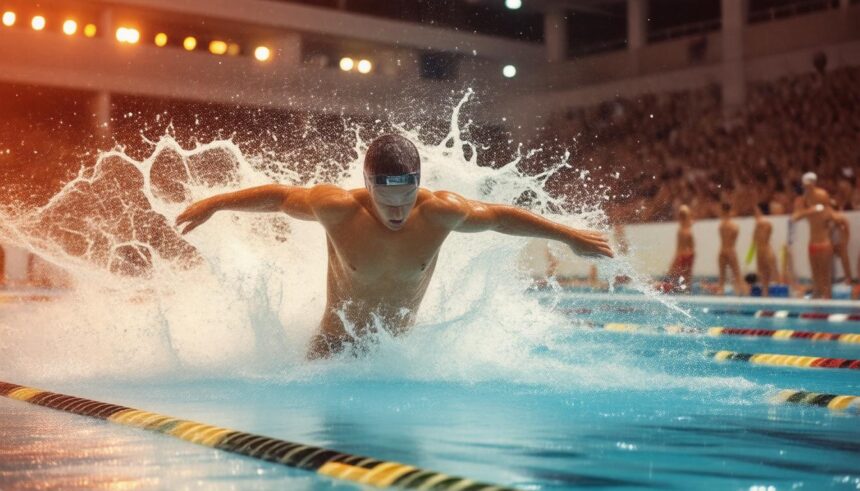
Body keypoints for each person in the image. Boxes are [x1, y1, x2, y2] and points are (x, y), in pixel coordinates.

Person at [176, 134, 613, 358]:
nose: (399, 211)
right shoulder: (338, 209)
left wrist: (568, 236)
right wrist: (216, 204)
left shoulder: (442, 212)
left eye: (407, 198)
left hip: (395, 352)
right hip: (333, 345)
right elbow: (280, 197)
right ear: (368, 185)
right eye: (387, 201)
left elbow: (498, 217)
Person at [791, 172, 834, 299]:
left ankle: (827, 300)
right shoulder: (803, 200)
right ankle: (817, 302)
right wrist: (811, 210)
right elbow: (795, 217)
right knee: (815, 277)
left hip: (824, 242)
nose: (807, 187)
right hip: (812, 243)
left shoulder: (822, 195)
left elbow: (830, 215)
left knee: (825, 277)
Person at [717, 203, 745, 295]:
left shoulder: (721, 225)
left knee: (722, 278)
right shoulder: (734, 226)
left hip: (722, 251)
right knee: (737, 276)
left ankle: (720, 295)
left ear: (723, 211)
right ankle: (741, 294)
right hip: (731, 250)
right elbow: (734, 239)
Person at [666, 204, 695, 292]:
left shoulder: (683, 229)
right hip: (687, 254)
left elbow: (680, 247)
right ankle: (685, 288)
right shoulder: (684, 229)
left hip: (684, 254)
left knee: (682, 274)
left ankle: (683, 288)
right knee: (684, 274)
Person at [752, 203, 778, 296]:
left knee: (765, 273)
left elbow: (759, 239)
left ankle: (766, 292)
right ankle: (766, 292)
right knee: (766, 274)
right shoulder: (763, 223)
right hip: (764, 250)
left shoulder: (761, 222)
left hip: (764, 250)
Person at [831, 204, 852, 284]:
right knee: (829, 260)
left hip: (841, 243)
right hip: (834, 243)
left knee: (844, 260)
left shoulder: (841, 219)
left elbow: (847, 232)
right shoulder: (830, 220)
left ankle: (848, 278)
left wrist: (845, 243)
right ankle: (832, 277)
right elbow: (829, 233)